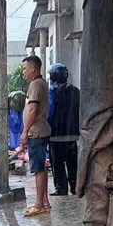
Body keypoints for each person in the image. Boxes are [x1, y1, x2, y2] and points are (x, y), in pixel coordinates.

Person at [20, 55, 52, 217]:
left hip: (36, 131)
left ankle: (39, 204)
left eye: (25, 69)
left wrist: (25, 131)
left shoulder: (35, 85)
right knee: (41, 167)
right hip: (41, 130)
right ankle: (44, 202)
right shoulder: (41, 84)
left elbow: (32, 110)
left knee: (38, 168)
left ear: (33, 69)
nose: (23, 72)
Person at [47, 63, 80, 196]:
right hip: (72, 133)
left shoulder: (52, 90)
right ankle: (75, 186)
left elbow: (50, 111)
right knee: (73, 162)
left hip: (56, 134)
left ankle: (61, 188)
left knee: (58, 163)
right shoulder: (76, 91)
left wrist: (47, 127)